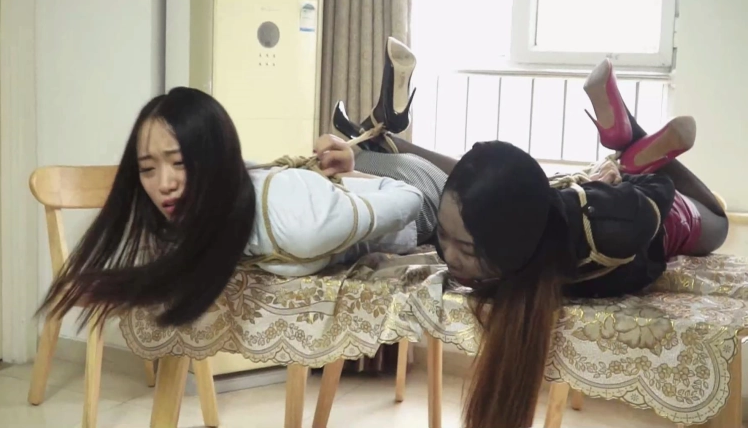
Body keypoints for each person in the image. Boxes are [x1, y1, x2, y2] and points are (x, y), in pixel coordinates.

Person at [334, 58, 728, 428]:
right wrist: (357, 157)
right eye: (444, 236)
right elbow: (452, 182)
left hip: (651, 212)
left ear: (511, 245)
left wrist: (621, 179)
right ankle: (385, 139)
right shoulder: (475, 226)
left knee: (718, 220)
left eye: (467, 249)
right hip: (568, 195)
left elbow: (659, 190)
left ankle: (631, 147)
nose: (449, 257)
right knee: (482, 185)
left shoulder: (612, 228)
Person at [36, 82, 430, 330]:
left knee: (441, 168)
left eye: (179, 162)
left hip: (416, 198)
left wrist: (356, 169)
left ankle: (375, 137)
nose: (164, 183)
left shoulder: (297, 222)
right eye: (148, 169)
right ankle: (367, 138)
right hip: (337, 190)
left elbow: (411, 197)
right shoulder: (190, 213)